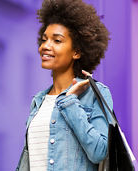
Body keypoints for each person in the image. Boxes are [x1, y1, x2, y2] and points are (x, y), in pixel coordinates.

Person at [16, 0, 113, 170]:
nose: (45, 46)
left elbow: (100, 152)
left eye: (57, 41)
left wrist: (70, 102)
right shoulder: (38, 101)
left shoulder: (95, 94)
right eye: (44, 39)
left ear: (77, 51)